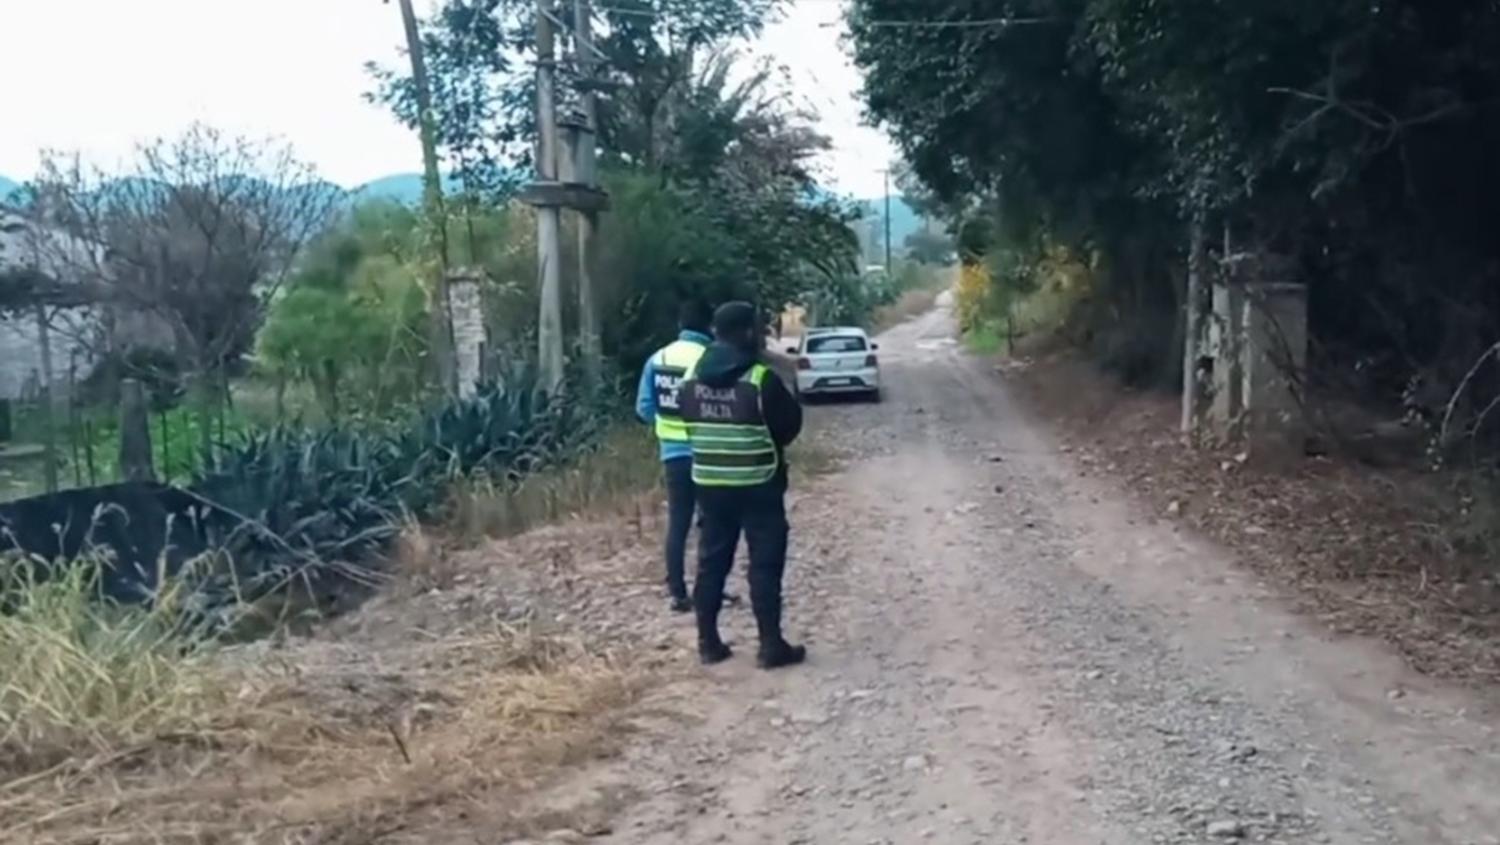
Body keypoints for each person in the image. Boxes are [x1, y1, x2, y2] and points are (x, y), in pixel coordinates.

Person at [679, 301, 806, 669]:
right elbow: (787, 428)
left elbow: (686, 422)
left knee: (712, 562)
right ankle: (770, 646)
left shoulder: (690, 378)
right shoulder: (759, 379)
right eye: (756, 328)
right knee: (764, 564)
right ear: (747, 332)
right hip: (759, 483)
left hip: (710, 483)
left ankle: (708, 643)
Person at [636, 300, 726, 613]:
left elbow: (644, 409)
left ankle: (677, 592)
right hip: (709, 452)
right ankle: (711, 587)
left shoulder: (657, 358)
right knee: (713, 522)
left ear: (680, 325)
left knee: (678, 522)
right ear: (709, 327)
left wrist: (668, 423)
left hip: (673, 454)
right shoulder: (713, 359)